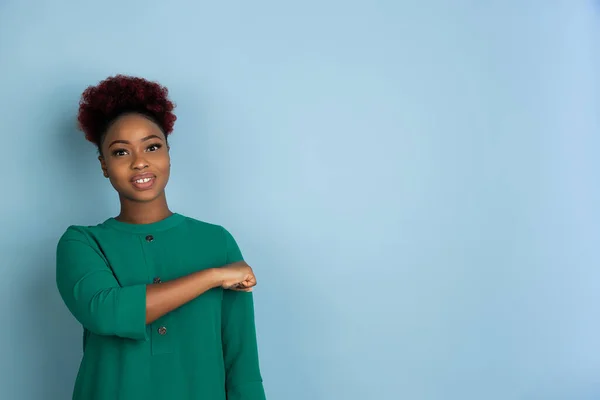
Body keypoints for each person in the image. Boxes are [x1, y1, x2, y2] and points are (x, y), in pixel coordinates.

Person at [55, 75, 266, 400]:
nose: (140, 161)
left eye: (152, 147)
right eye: (121, 152)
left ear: (168, 153)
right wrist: (212, 277)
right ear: (104, 165)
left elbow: (243, 366)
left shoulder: (217, 242)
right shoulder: (82, 243)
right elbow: (106, 312)